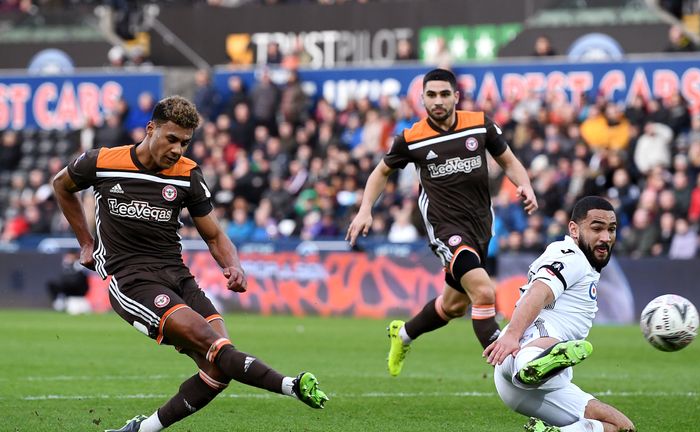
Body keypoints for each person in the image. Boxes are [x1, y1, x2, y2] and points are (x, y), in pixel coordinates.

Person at [51, 95, 328, 432]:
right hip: (133, 281)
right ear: (150, 129)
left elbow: (214, 235)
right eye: (172, 139)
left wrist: (234, 265)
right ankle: (291, 385)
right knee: (213, 345)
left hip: (178, 277)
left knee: (217, 369)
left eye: (185, 142)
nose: (178, 149)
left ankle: (142, 430)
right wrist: (86, 243)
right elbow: (61, 185)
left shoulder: (187, 175)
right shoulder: (104, 162)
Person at [346, 68, 538, 377]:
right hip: (445, 229)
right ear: (422, 98)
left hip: (479, 227)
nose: (438, 101)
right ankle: (514, 369)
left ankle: (403, 334)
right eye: (431, 95)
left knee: (453, 307)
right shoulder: (411, 138)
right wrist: (365, 209)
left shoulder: (478, 125)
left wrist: (524, 185)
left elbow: (509, 161)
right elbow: (381, 171)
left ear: (456, 97)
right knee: (484, 293)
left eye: (444, 94)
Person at [483, 196, 635, 432]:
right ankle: (533, 363)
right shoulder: (572, 256)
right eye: (597, 228)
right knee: (543, 339)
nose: (606, 237)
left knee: (621, 427)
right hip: (524, 347)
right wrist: (512, 335)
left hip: (536, 388)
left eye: (611, 229)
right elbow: (538, 292)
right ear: (574, 229)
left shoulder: (577, 259)